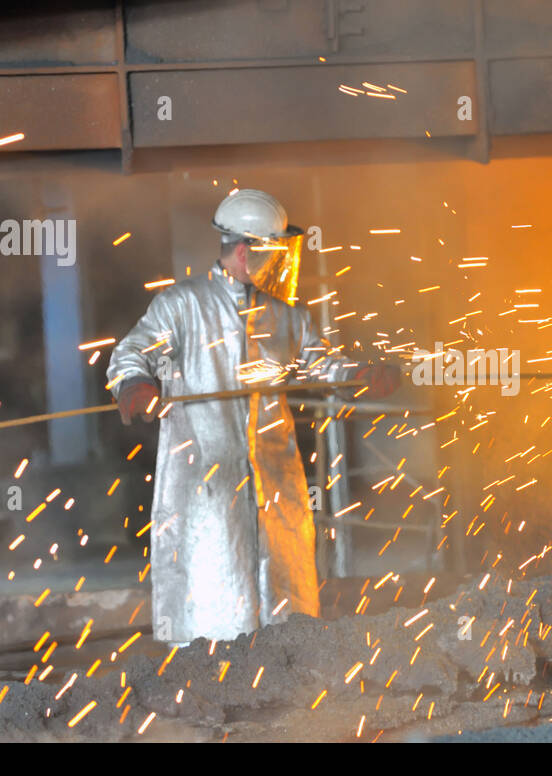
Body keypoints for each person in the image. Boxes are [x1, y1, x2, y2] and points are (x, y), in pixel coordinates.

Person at [106, 189, 399, 646]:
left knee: (283, 603)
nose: (280, 264)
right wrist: (133, 385)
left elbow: (319, 364)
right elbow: (131, 354)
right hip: (207, 479)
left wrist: (360, 373)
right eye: (274, 253)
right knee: (213, 598)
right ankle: (209, 680)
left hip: (273, 478)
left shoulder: (284, 315)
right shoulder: (184, 305)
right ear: (245, 251)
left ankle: (285, 678)